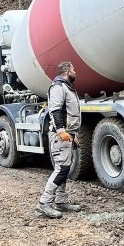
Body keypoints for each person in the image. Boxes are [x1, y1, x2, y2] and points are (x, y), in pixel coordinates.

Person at [36, 61, 83, 218]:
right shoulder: (58, 87)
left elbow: (67, 112)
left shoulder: (66, 87)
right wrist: (62, 131)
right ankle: (44, 203)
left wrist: (73, 136)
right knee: (62, 169)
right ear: (68, 72)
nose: (75, 72)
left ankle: (61, 201)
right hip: (59, 136)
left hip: (67, 136)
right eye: (74, 69)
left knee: (65, 168)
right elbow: (55, 111)